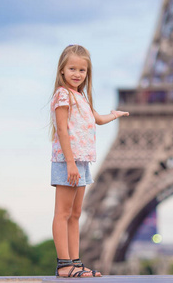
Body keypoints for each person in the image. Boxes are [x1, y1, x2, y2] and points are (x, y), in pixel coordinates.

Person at [49, 44, 129, 278]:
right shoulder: (63, 94)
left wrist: (115, 114)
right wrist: (71, 163)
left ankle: (75, 262)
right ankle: (64, 265)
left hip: (81, 161)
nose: (77, 74)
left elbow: (98, 119)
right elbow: (62, 130)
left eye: (82, 70)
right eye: (72, 68)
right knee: (63, 213)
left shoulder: (80, 97)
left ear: (87, 73)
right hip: (68, 161)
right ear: (62, 70)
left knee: (75, 214)